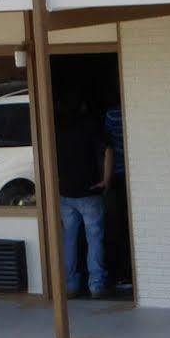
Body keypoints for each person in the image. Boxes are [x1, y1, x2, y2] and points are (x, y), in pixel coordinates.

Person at [55, 91, 112, 299]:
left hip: (66, 192)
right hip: (90, 191)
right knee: (94, 238)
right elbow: (107, 149)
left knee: (68, 239)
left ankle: (70, 285)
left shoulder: (57, 128)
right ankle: (96, 284)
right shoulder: (91, 125)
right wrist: (106, 180)